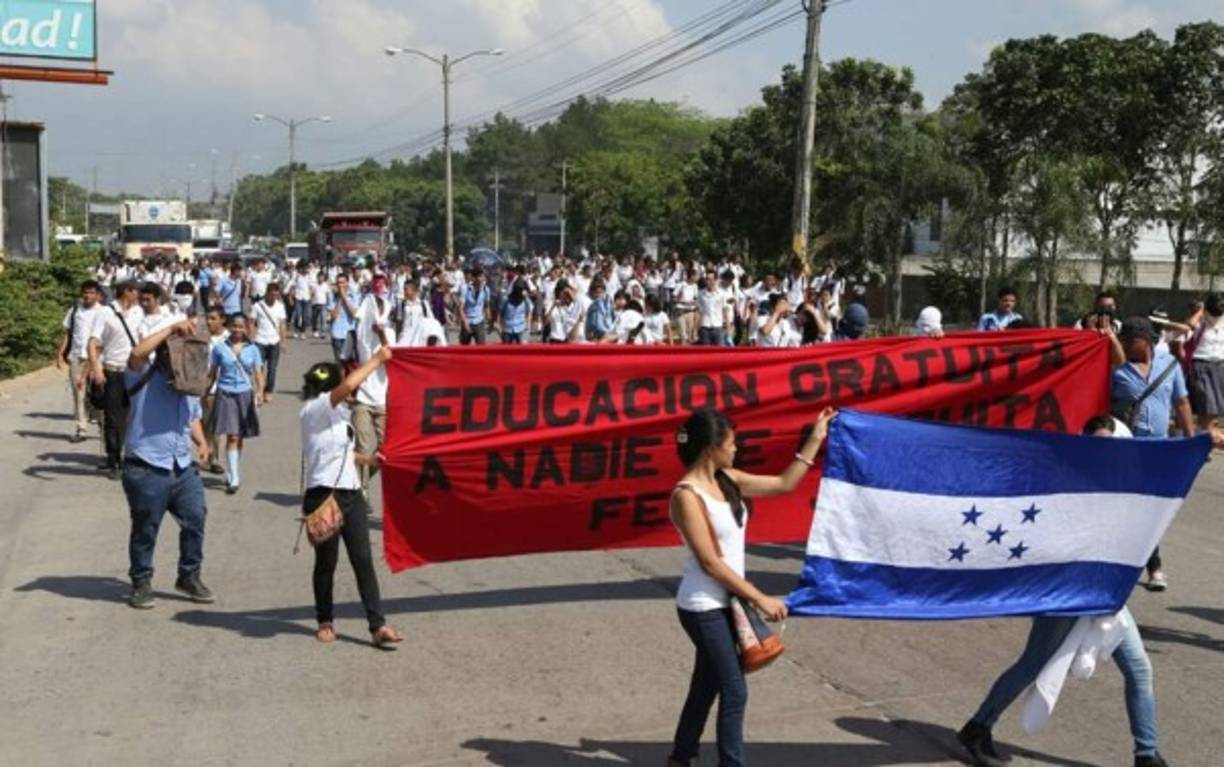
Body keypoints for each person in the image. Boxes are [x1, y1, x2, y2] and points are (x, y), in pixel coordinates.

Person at [957, 414, 1167, 767]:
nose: (1102, 449)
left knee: (1139, 669)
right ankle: (978, 727)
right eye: (1095, 441)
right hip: (1066, 593)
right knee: (1032, 664)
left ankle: (1146, 756)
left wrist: (1205, 441)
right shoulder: (1072, 483)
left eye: (1108, 441)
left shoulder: (1126, 482)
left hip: (1105, 596)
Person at [667, 406, 836, 767]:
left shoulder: (727, 479)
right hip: (702, 606)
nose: (736, 449)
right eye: (731, 443)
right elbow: (711, 562)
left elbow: (784, 484)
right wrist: (759, 597)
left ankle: (681, 758)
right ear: (710, 447)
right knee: (734, 691)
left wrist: (815, 438)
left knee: (706, 685)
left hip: (728, 602)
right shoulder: (687, 495)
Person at [299, 347, 404, 648]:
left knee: (363, 560)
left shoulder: (339, 414)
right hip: (323, 495)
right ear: (330, 386)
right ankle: (325, 619)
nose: (348, 388)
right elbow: (344, 388)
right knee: (326, 562)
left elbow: (343, 454)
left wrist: (371, 461)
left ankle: (377, 625)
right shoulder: (315, 408)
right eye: (341, 383)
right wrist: (377, 360)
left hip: (350, 493)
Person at [122, 315, 214, 609]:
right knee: (146, 528)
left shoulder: (189, 379)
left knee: (196, 517)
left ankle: (188, 575)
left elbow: (193, 416)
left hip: (181, 465)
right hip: (146, 465)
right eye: (175, 348)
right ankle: (141, 581)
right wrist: (172, 329)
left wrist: (201, 442)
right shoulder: (143, 374)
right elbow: (136, 353)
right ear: (163, 351)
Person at [1111, 317, 1195, 592]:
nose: (1124, 344)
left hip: (1159, 449)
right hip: (1126, 448)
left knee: (1151, 509)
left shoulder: (1169, 366)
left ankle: (1148, 564)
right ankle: (1152, 566)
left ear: (1145, 340)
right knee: (1133, 508)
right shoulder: (1116, 370)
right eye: (1122, 339)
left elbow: (1181, 403)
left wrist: (1191, 440)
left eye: (1129, 339)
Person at [86, 280, 144, 478]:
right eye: (136, 291)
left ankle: (133, 457)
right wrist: (96, 368)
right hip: (113, 371)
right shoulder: (104, 313)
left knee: (135, 416)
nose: (139, 295)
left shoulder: (139, 312)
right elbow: (93, 343)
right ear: (126, 292)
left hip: (136, 373)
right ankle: (114, 460)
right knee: (113, 418)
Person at [207, 313, 265, 494]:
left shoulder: (253, 349)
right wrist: (205, 391)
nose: (237, 330)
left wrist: (260, 391)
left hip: (244, 394)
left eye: (241, 326)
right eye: (234, 326)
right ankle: (234, 478)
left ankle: (233, 470)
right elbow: (212, 372)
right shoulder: (219, 348)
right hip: (225, 393)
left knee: (239, 437)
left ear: (246, 328)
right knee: (232, 435)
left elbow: (258, 373)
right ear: (229, 327)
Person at [352, 276, 397, 492]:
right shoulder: (359, 336)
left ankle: (360, 480)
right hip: (362, 398)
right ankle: (361, 490)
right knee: (362, 445)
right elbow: (346, 361)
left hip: (382, 399)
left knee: (383, 449)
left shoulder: (389, 333)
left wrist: (381, 336)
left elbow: (391, 355)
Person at [58, 279, 104, 442]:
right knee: (79, 393)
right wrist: (60, 353)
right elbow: (68, 333)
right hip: (77, 356)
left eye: (91, 293)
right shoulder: (75, 310)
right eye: (85, 292)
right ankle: (81, 428)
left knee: (99, 394)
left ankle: (103, 428)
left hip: (98, 358)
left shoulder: (103, 312)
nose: (88, 296)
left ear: (98, 295)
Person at [1187, 293, 1224, 446]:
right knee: (1207, 404)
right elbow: (1190, 323)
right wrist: (1200, 310)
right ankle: (1205, 439)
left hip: (1220, 365)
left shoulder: (1222, 323)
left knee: (1215, 408)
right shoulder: (1201, 323)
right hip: (1201, 364)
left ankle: (1206, 437)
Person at [201, 306, 228, 475]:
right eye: (208, 318)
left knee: (220, 425)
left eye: (213, 318)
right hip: (205, 387)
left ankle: (217, 459)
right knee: (206, 423)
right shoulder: (203, 339)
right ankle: (208, 452)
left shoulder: (229, 339)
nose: (209, 322)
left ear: (222, 320)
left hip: (224, 386)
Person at [250, 283, 288, 403]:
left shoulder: (280, 306)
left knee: (272, 369)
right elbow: (251, 322)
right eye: (272, 295)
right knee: (259, 368)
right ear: (267, 293)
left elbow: (282, 324)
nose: (274, 298)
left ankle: (269, 391)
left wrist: (284, 341)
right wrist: (251, 339)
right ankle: (260, 390)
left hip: (274, 341)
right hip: (260, 341)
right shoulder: (257, 306)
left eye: (276, 295)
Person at [328, 273, 360, 362]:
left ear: (347, 283)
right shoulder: (332, 296)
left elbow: (354, 315)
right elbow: (333, 316)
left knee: (351, 365)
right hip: (337, 334)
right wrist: (340, 299)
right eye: (338, 283)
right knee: (339, 365)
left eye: (342, 282)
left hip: (350, 334)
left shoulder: (354, 295)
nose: (340, 285)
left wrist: (345, 299)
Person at [696, 273, 731, 347]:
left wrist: (728, 327)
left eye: (711, 279)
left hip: (718, 326)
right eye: (707, 279)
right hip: (705, 326)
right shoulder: (700, 294)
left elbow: (725, 310)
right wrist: (695, 328)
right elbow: (699, 312)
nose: (709, 281)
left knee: (720, 352)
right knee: (706, 353)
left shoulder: (722, 293)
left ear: (715, 280)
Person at [460, 268, 491, 345]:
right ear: (474, 278)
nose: (481, 279)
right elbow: (461, 308)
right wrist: (465, 322)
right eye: (479, 277)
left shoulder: (486, 289)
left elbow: (487, 305)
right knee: (464, 348)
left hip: (479, 321)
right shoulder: (465, 288)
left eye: (482, 277)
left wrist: (489, 320)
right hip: (467, 321)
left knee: (481, 348)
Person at [498, 279, 533, 344]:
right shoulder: (506, 300)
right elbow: (500, 313)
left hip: (521, 329)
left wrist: (528, 325)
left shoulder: (525, 300)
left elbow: (530, 311)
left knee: (521, 352)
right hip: (507, 329)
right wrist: (500, 327)